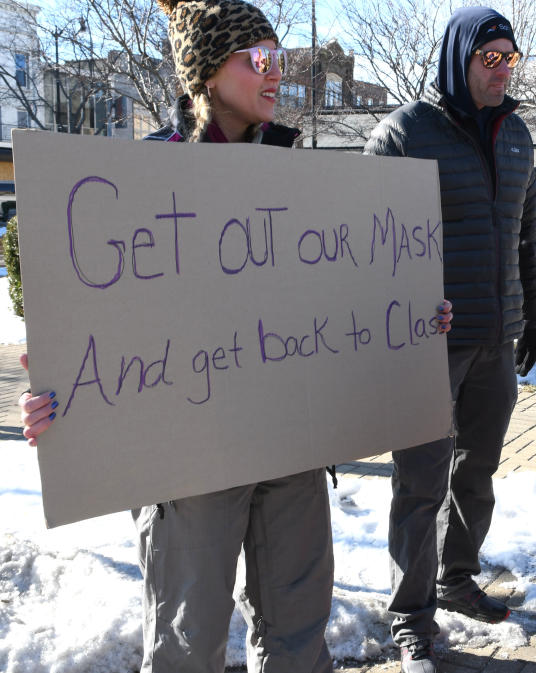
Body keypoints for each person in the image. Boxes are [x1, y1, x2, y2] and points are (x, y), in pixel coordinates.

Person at [17, 2, 454, 671]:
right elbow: (102, 334)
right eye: (259, 60)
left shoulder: (297, 177)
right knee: (187, 644)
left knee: (299, 635)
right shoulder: (138, 185)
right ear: (206, 72)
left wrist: (408, 321)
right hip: (190, 465)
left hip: (291, 451)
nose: (277, 74)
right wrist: (58, 398)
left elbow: (333, 304)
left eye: (280, 59)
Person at [363, 7, 536, 673]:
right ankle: (411, 619)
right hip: (426, 345)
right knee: (419, 482)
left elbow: (525, 235)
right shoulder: (406, 133)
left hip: (498, 338)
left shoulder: (519, 136)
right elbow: (362, 239)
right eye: (488, 58)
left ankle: (456, 577)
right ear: (459, 59)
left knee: (479, 470)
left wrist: (534, 311)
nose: (501, 70)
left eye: (509, 59)